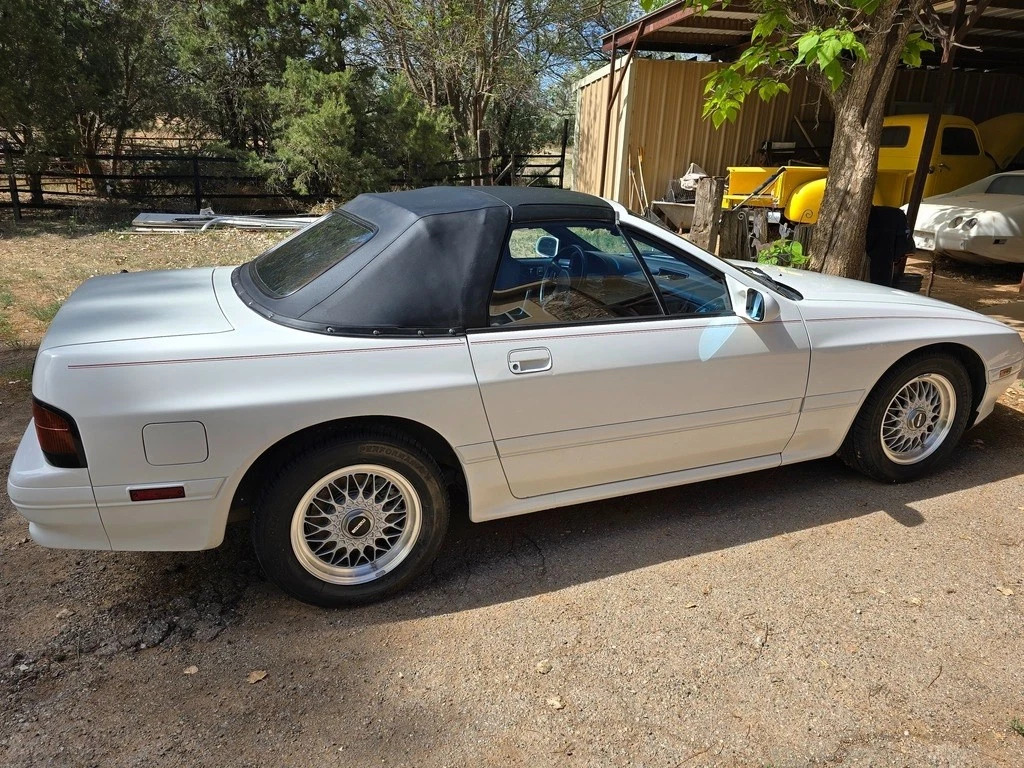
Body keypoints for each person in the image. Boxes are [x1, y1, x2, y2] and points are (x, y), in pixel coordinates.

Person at [865, 206, 913, 287]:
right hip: (886, 249)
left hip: (881, 248)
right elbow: (904, 240)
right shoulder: (897, 214)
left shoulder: (894, 214)